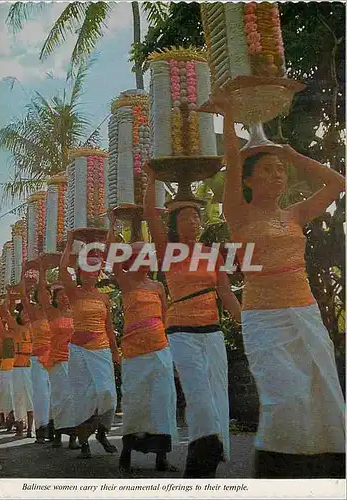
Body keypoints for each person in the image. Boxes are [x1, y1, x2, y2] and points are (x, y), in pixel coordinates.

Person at [218, 93, 346, 478]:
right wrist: (228, 117)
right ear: (249, 180)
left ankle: (321, 468)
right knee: (281, 394)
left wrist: (292, 156)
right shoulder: (237, 214)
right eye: (268, 170)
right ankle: (275, 471)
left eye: (280, 171)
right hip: (263, 317)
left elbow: (339, 182)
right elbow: (231, 161)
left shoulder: (296, 214)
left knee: (320, 388)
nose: (277, 176)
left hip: (303, 311)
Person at [143, 164, 241, 478]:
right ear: (175, 223)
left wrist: (244, 322)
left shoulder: (213, 254)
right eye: (186, 217)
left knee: (216, 395)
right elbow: (148, 214)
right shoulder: (167, 251)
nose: (193, 221)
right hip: (181, 332)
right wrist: (152, 179)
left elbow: (226, 294)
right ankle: (203, 455)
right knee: (199, 396)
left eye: (197, 216)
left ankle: (202, 464)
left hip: (211, 331)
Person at [106, 211, 178, 473]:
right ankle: (127, 452)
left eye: (148, 257)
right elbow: (111, 258)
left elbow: (167, 317)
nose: (146, 261)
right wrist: (112, 226)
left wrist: (171, 349)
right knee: (136, 401)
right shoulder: (125, 281)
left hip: (160, 349)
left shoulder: (158, 287)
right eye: (140, 257)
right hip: (134, 353)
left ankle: (161, 458)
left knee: (163, 400)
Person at [60, 231, 119, 459]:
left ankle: (102, 434)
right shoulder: (73, 293)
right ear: (80, 272)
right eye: (87, 270)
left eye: (95, 271)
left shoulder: (104, 298)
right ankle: (84, 443)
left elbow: (108, 327)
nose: (91, 275)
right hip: (78, 351)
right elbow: (64, 268)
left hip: (102, 349)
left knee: (107, 394)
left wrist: (115, 352)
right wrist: (70, 240)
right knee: (82, 396)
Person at [37, 256, 80, 450]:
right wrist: (43, 271)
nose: (63, 297)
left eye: (66, 294)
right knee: (60, 397)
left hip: (75, 360)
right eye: (59, 295)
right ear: (55, 298)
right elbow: (42, 294)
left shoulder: (78, 312)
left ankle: (73, 438)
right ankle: (56, 435)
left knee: (73, 398)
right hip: (56, 360)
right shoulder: (52, 313)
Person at [20, 268, 52, 444]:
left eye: (47, 294)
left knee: (56, 393)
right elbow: (23, 296)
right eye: (41, 294)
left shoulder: (56, 311)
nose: (44, 296)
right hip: (38, 359)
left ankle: (56, 428)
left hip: (56, 357)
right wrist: (23, 272)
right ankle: (41, 429)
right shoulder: (32, 313)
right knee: (41, 395)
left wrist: (43, 269)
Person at [4, 288, 34, 438]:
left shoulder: (35, 327)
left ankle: (30, 429)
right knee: (18, 397)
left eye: (28, 313)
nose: (26, 315)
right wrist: (8, 297)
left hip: (31, 367)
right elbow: (5, 313)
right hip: (17, 368)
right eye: (24, 313)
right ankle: (20, 427)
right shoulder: (16, 327)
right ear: (19, 315)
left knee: (31, 397)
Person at [0, 297, 15, 432]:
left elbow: (9, 313)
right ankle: (4, 419)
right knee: (5, 396)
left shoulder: (21, 331)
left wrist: (11, 298)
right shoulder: (3, 335)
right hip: (4, 368)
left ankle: (16, 421)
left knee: (15, 396)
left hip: (18, 367)